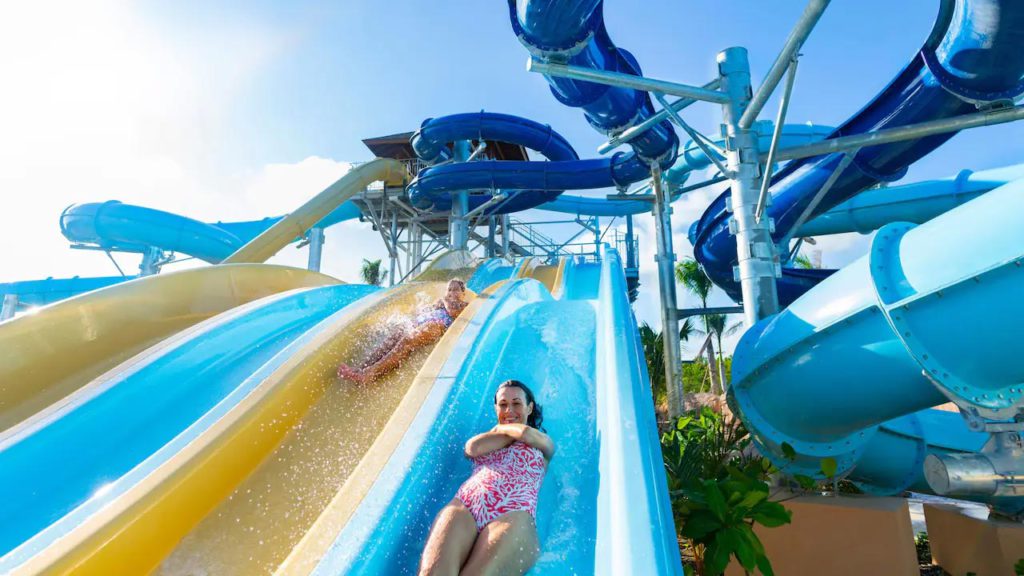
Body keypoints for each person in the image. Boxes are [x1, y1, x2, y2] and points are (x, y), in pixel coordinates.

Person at [418, 380, 555, 576]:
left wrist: (501, 428)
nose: (509, 410)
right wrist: (505, 430)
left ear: (530, 407)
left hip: (514, 512)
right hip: (467, 504)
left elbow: (525, 433)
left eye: (516, 404)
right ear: (495, 407)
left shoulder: (543, 444)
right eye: (503, 404)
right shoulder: (486, 439)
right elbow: (472, 448)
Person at [337, 278, 468, 384]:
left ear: (463, 293)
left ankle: (369, 374)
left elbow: (452, 311)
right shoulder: (442, 302)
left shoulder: (464, 304)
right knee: (393, 338)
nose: (451, 293)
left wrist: (444, 299)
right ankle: (362, 367)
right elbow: (423, 310)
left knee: (408, 340)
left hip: (438, 325)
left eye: (455, 290)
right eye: (449, 290)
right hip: (422, 322)